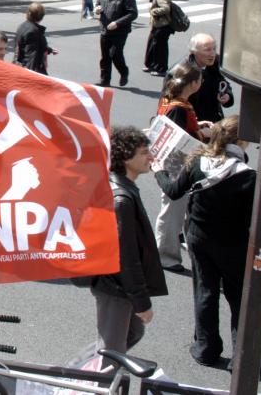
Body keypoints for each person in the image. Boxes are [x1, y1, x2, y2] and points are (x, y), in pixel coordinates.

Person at [156, 117, 254, 367]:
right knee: (238, 299)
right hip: (235, 244)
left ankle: (206, 349)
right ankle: (241, 358)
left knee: (205, 292)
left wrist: (159, 171)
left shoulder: (198, 161)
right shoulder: (249, 176)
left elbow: (174, 190)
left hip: (199, 238)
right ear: (241, 142)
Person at [91, 127, 167, 354]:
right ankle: (87, 382)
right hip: (116, 287)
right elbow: (126, 256)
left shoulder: (123, 189)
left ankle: (78, 371)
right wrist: (141, 301)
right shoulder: (122, 199)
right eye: (144, 152)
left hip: (118, 285)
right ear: (125, 157)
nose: (151, 157)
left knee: (132, 333)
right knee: (111, 354)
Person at [154, 63, 213, 272]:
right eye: (200, 80)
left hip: (174, 164)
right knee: (173, 212)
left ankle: (169, 252)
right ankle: (165, 256)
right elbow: (179, 138)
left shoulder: (171, 101)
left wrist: (199, 127)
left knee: (178, 210)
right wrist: (201, 135)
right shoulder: (179, 107)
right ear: (194, 83)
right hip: (177, 166)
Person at [176, 33, 232, 124]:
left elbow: (222, 82)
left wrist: (227, 95)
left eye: (214, 49)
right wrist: (195, 125)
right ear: (194, 52)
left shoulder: (215, 63)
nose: (212, 54)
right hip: (192, 124)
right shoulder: (181, 72)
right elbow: (172, 105)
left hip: (213, 121)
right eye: (207, 50)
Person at [95, 0, 138, 87]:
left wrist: (117, 23)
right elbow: (98, 4)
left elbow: (133, 13)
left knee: (115, 54)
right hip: (105, 29)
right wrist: (98, 9)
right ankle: (105, 80)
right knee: (105, 56)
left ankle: (124, 72)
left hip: (119, 31)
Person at [143, 0, 172, 76]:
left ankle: (161, 69)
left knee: (160, 48)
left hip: (163, 26)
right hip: (158, 26)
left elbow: (166, 8)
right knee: (152, 45)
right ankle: (152, 65)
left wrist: (152, 11)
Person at [13, 2, 52, 74]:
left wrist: (49, 50)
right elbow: (31, 56)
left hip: (18, 65)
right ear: (41, 17)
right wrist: (32, 75)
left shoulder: (22, 26)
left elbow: (36, 46)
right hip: (27, 70)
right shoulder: (34, 32)